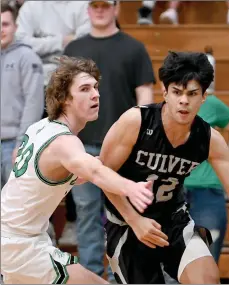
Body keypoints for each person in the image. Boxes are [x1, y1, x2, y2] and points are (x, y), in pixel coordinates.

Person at [99, 51, 229, 284]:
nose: (184, 100)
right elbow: (103, 174)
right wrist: (134, 220)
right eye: (177, 92)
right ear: (165, 92)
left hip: (173, 220)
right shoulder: (136, 122)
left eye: (192, 93)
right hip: (127, 223)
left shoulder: (209, 139)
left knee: (206, 279)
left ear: (204, 97)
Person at [1, 56, 154, 284]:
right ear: (64, 98)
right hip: (22, 246)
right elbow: (93, 172)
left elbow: (70, 174)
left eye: (95, 87)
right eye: (84, 89)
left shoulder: (40, 128)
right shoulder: (64, 141)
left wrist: (106, 160)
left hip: (16, 241)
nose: (95, 94)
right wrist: (131, 188)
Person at [64, 0, 155, 280]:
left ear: (116, 8)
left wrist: (144, 137)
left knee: (122, 215)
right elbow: (64, 100)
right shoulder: (73, 49)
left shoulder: (134, 48)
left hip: (123, 149)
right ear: (87, 10)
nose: (99, 10)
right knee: (87, 214)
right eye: (94, 5)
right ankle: (91, 277)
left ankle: (120, 276)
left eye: (105, 5)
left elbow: (145, 97)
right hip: (82, 148)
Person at [184, 95, 229, 264]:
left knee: (206, 267)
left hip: (207, 194)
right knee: (169, 272)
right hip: (171, 193)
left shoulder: (211, 103)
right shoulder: (162, 110)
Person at [1, 2, 44, 188]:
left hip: (13, 145)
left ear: (15, 27)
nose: (0, 30)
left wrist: (22, 144)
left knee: (15, 207)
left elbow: (33, 104)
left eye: (5, 24)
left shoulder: (27, 57)